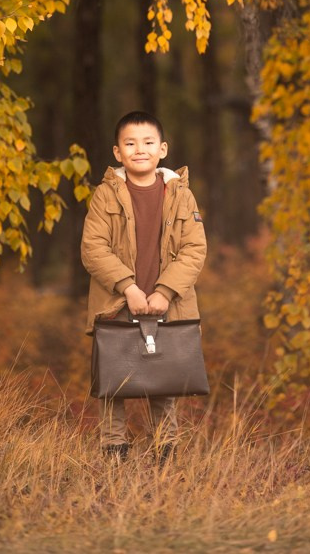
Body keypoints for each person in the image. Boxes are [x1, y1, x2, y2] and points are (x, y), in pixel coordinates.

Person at [81, 110, 207, 460]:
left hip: (168, 304)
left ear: (162, 149)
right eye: (130, 143)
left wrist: (164, 291)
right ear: (118, 152)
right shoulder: (105, 196)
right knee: (113, 382)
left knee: (163, 381)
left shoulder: (182, 195)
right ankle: (113, 450)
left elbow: (194, 249)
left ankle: (166, 450)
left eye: (148, 142)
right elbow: (93, 248)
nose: (140, 149)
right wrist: (129, 289)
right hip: (117, 302)